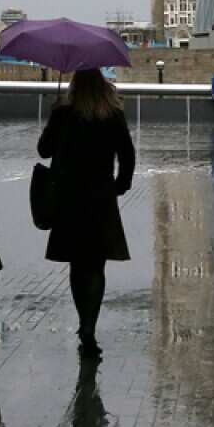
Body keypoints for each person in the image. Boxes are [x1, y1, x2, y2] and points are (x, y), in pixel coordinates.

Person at [37, 68, 136, 359]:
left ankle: (83, 322)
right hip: (100, 196)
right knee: (96, 265)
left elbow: (43, 151)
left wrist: (52, 118)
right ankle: (90, 325)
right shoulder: (112, 114)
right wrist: (121, 185)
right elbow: (127, 154)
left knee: (77, 264)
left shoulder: (64, 113)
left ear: (75, 85)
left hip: (68, 197)